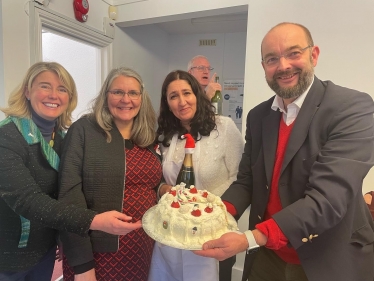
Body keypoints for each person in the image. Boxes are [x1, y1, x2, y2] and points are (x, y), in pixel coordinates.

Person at [194, 22, 374, 281]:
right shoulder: (258, 116)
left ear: (314, 55)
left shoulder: (350, 108)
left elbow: (328, 199)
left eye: (294, 53)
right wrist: (212, 214)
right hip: (269, 256)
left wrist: (249, 238)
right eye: (272, 59)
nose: (283, 66)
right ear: (264, 67)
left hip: (328, 258)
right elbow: (247, 181)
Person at [0, 62, 147, 281]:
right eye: (45, 86)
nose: (54, 95)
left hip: (45, 251)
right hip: (9, 256)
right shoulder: (7, 137)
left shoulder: (60, 138)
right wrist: (94, 221)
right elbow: (28, 200)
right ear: (27, 91)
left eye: (62, 89)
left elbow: (60, 193)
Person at [58, 67, 162, 281]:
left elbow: (149, 181)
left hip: (142, 247)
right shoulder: (85, 130)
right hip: (99, 252)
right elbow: (69, 196)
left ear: (141, 98)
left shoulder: (147, 135)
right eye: (117, 92)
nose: (126, 99)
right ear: (106, 96)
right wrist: (82, 265)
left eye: (133, 93)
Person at [148, 70, 244, 281]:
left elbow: (240, 177)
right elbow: (158, 179)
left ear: (197, 95)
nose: (182, 102)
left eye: (187, 93)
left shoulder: (224, 128)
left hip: (213, 233)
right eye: (173, 96)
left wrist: (214, 211)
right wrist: (163, 189)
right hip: (173, 234)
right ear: (167, 103)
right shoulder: (165, 136)